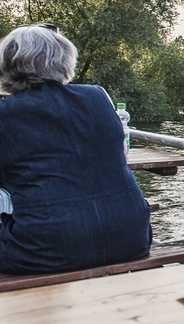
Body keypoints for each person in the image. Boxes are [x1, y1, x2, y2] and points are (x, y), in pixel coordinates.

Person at [0, 24, 151, 274]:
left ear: (8, 64)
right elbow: (121, 156)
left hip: (42, 251)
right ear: (64, 60)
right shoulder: (98, 97)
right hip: (132, 238)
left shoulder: (6, 112)